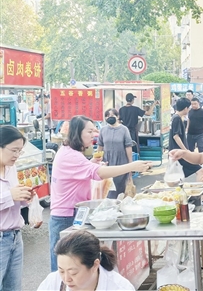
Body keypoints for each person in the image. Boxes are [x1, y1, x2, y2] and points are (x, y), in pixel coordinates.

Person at [49, 115, 152, 271]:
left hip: (71, 213)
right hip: (66, 216)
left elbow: (85, 172)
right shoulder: (70, 155)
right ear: (77, 132)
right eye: (89, 131)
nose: (93, 135)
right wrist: (131, 166)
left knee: (76, 268)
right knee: (66, 271)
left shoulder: (70, 152)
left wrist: (90, 164)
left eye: (94, 131)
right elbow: (99, 173)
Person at [0, 126, 36, 291]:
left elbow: (14, 197)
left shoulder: (11, 167)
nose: (17, 155)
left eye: (20, 151)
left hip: (15, 236)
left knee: (13, 287)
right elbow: (9, 196)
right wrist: (10, 195)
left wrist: (25, 197)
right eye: (14, 150)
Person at [38, 230, 135, 290]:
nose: (66, 279)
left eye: (73, 273)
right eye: (61, 271)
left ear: (95, 265)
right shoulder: (53, 283)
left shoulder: (119, 288)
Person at [97, 108, 133, 199]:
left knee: (120, 188)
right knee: (107, 187)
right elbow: (100, 146)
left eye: (112, 116)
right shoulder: (103, 130)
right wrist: (98, 159)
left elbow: (128, 146)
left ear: (117, 117)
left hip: (121, 161)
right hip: (107, 162)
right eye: (107, 116)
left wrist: (131, 164)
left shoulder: (124, 129)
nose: (109, 117)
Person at [169, 98, 203, 180]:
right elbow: (176, 136)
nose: (189, 110)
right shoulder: (177, 118)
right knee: (200, 169)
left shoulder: (175, 117)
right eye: (189, 108)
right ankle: (198, 191)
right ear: (185, 108)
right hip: (179, 153)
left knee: (178, 176)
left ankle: (179, 190)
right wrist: (185, 151)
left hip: (176, 153)